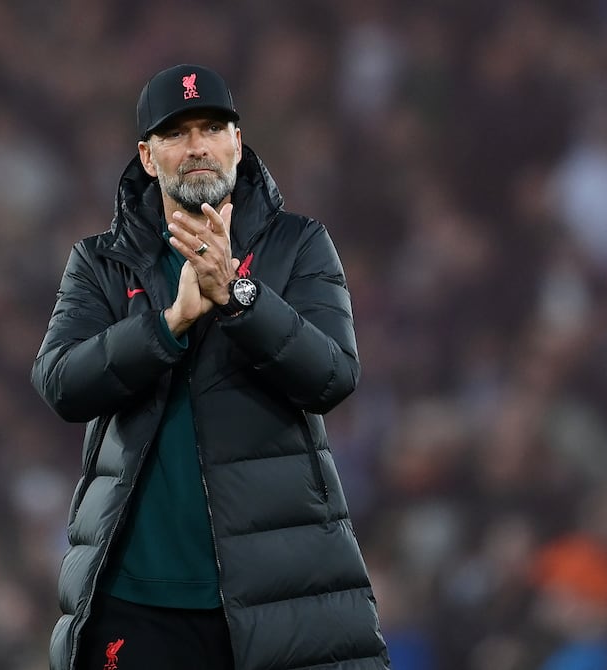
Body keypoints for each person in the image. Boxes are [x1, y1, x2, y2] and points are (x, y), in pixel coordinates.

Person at [32, 64, 391, 670]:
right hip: (136, 600)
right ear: (148, 157)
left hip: (275, 595)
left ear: (238, 143)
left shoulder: (297, 245)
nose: (197, 146)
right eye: (176, 133)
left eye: (212, 128)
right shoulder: (101, 263)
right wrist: (165, 325)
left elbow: (332, 376)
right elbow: (60, 382)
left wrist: (238, 296)